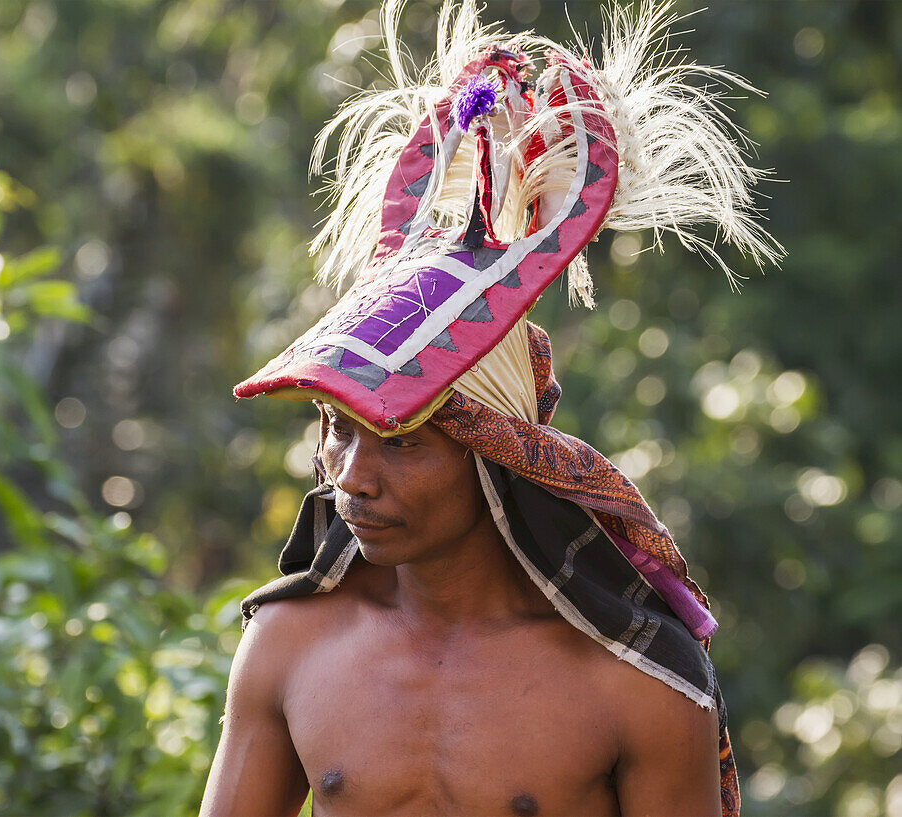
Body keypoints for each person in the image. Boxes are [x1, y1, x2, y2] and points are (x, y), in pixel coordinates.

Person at [203, 2, 780, 814]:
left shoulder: (634, 679)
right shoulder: (290, 643)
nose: (352, 479)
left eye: (401, 442)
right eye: (339, 431)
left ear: (496, 452)